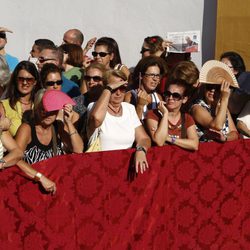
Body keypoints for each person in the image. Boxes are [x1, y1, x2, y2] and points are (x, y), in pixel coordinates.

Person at [87, 69, 151, 174]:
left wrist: (141, 149)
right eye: (114, 88)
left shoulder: (129, 108)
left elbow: (144, 138)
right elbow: (96, 119)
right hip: (99, 169)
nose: (118, 93)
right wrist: (108, 88)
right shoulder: (93, 106)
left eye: (122, 88)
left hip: (125, 169)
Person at [15, 89, 83, 165]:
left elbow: (78, 150)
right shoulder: (26, 129)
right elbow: (15, 159)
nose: (48, 114)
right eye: (44, 110)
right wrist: (38, 176)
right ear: (36, 108)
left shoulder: (58, 126)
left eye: (52, 110)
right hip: (32, 175)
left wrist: (69, 122)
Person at [145, 79, 199, 150]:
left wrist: (169, 138)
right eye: (167, 94)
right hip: (159, 158)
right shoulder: (153, 114)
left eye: (176, 96)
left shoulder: (187, 118)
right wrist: (165, 114)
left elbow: (194, 145)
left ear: (184, 99)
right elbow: (159, 141)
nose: (170, 98)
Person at [0, 61, 40, 136]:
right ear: (15, 80)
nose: (25, 83)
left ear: (35, 82)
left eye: (29, 80)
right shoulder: (4, 106)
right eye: (21, 79)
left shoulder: (40, 106)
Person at [125, 56, 167, 120]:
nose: (155, 79)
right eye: (151, 75)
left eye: (157, 75)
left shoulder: (158, 97)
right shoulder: (130, 96)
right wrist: (139, 106)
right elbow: (129, 125)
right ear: (141, 76)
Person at [220, 51, 249, 119]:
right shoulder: (217, 83)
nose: (221, 69)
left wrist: (225, 95)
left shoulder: (244, 79)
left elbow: (234, 109)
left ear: (236, 70)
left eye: (225, 67)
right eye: (220, 66)